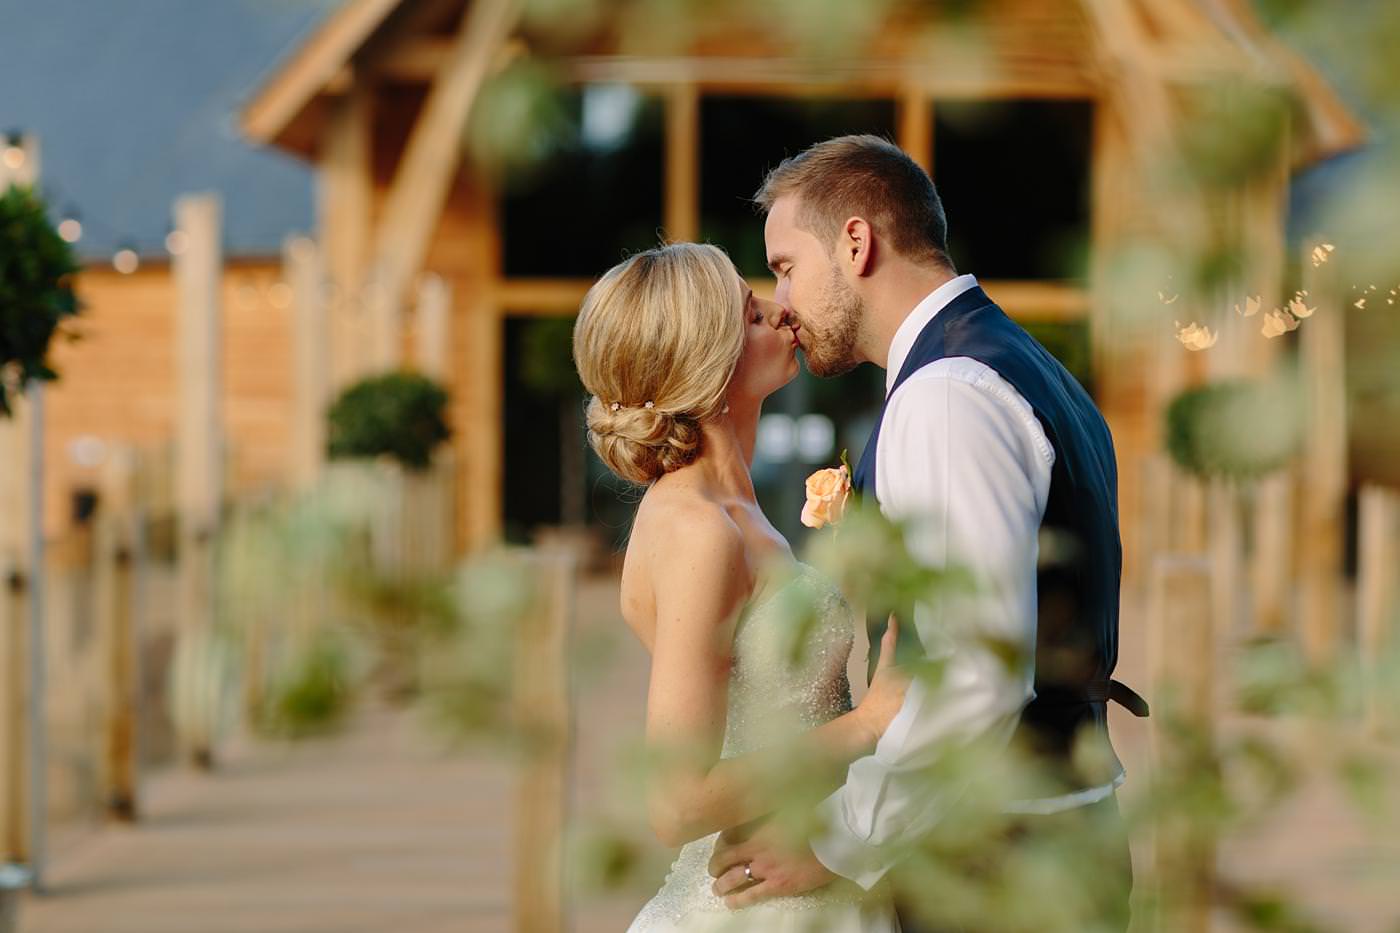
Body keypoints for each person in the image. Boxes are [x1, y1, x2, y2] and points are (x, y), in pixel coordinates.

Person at [707, 135, 1144, 931]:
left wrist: (841, 839)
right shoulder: (1025, 367)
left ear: (856, 241)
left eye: (784, 266)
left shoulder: (947, 394)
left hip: (999, 865)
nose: (783, 304)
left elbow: (974, 669)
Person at [573, 242, 905, 931]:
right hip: (754, 904)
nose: (783, 312)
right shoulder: (698, 530)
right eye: (752, 314)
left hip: (807, 875)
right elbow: (676, 802)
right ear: (708, 361)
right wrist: (868, 723)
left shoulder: (733, 511)